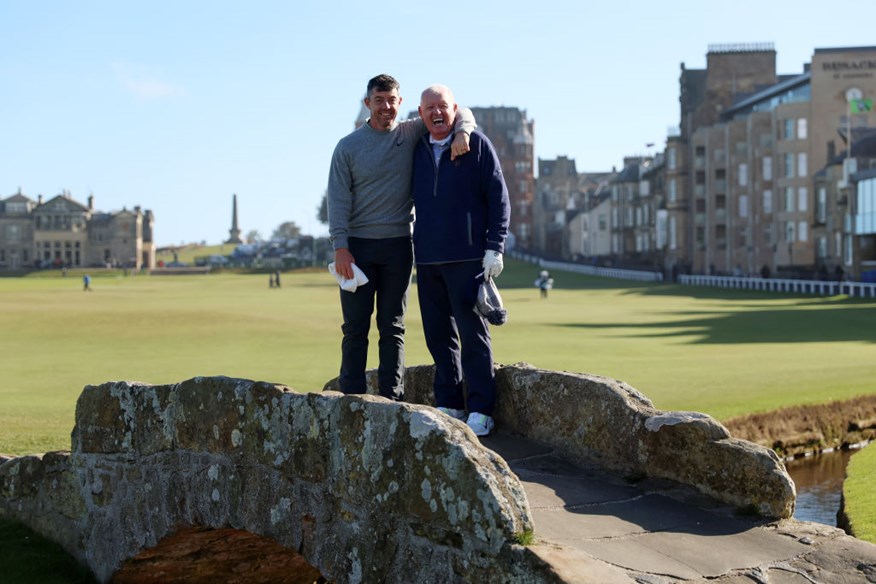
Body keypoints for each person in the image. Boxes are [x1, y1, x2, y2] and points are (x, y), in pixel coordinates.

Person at [327, 74, 476, 400]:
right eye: (378, 100)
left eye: (391, 100)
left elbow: (459, 110)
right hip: (357, 248)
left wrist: (463, 131)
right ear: (368, 104)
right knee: (355, 328)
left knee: (392, 327)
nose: (385, 107)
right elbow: (338, 200)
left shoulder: (410, 131)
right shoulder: (347, 147)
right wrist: (340, 247)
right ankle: (350, 400)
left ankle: (391, 399)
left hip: (398, 244)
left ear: (400, 103)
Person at [411, 84, 510, 436]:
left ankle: (481, 409)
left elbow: (498, 198)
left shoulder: (477, 144)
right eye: (430, 108)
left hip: (468, 257)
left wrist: (494, 246)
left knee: (474, 335)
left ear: (455, 109)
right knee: (438, 337)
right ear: (420, 114)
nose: (437, 113)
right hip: (427, 259)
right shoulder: (415, 145)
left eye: (443, 107)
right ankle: (449, 403)